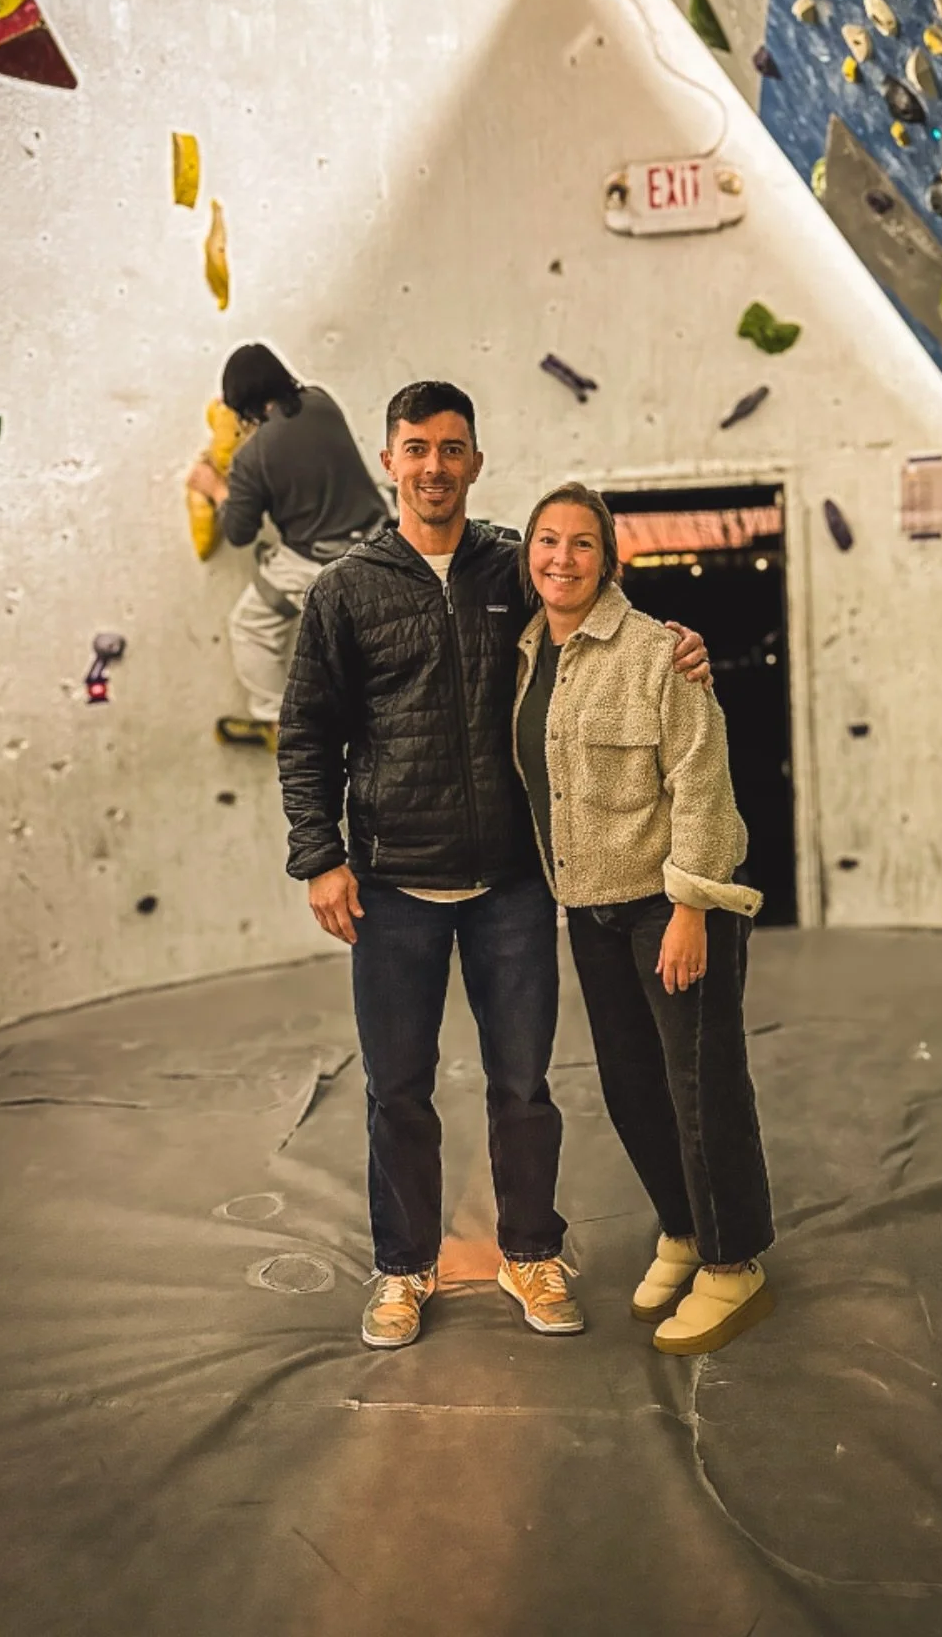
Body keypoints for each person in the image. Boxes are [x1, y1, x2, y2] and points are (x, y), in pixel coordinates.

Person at [275, 383, 710, 1350]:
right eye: (415, 447)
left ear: (477, 460)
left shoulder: (519, 563)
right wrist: (320, 857)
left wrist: (681, 646)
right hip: (391, 888)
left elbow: (608, 614)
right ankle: (402, 1269)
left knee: (524, 1087)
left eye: (453, 448)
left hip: (512, 883)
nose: (434, 465)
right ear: (389, 461)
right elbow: (305, 733)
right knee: (398, 1091)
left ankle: (528, 1252)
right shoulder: (346, 590)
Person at [513, 482, 775, 1356]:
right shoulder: (525, 653)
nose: (562, 557)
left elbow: (701, 783)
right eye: (546, 541)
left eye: (582, 543)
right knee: (632, 1087)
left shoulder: (660, 653)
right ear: (528, 556)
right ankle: (683, 1231)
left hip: (670, 906)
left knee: (701, 1085)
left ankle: (735, 1265)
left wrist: (691, 906)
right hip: (589, 908)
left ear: (609, 558)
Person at [186, 343, 388, 750]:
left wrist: (218, 487)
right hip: (381, 535)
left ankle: (280, 724)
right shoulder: (320, 401)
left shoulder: (252, 460)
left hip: (323, 564)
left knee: (251, 627)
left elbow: (239, 532)